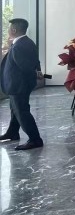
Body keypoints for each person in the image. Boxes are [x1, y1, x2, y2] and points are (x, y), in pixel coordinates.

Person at [0, 18, 44, 150]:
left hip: (18, 85)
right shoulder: (26, 42)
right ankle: (12, 132)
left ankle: (35, 139)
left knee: (21, 111)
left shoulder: (19, 45)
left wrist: (34, 72)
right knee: (15, 109)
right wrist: (37, 70)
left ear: (13, 30)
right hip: (19, 84)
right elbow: (35, 60)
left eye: (9, 28)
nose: (8, 30)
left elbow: (25, 66)